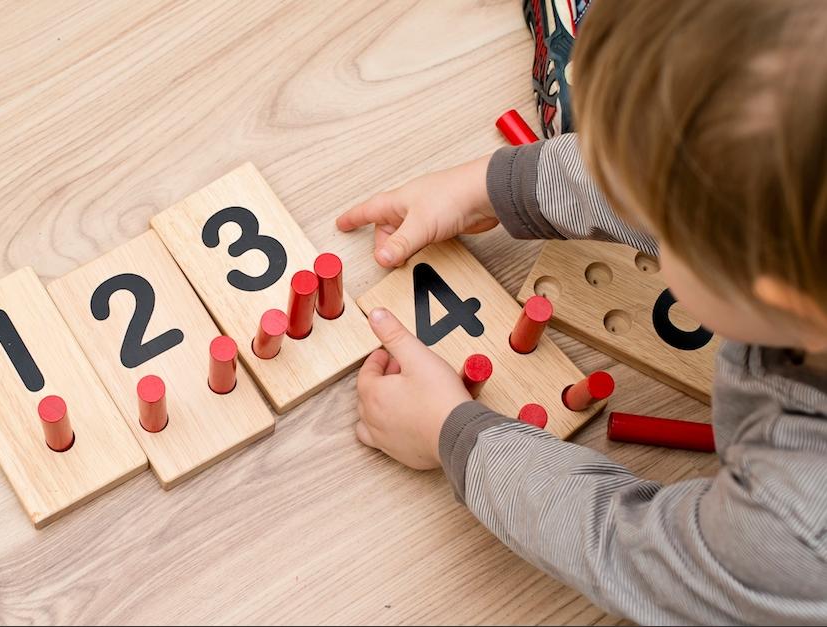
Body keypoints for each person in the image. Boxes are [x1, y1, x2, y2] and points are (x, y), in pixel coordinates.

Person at [336, 1, 827, 623]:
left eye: (666, 229)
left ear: (774, 291)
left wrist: (453, 433)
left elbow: (621, 552)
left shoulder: (791, 534)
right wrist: (500, 184)